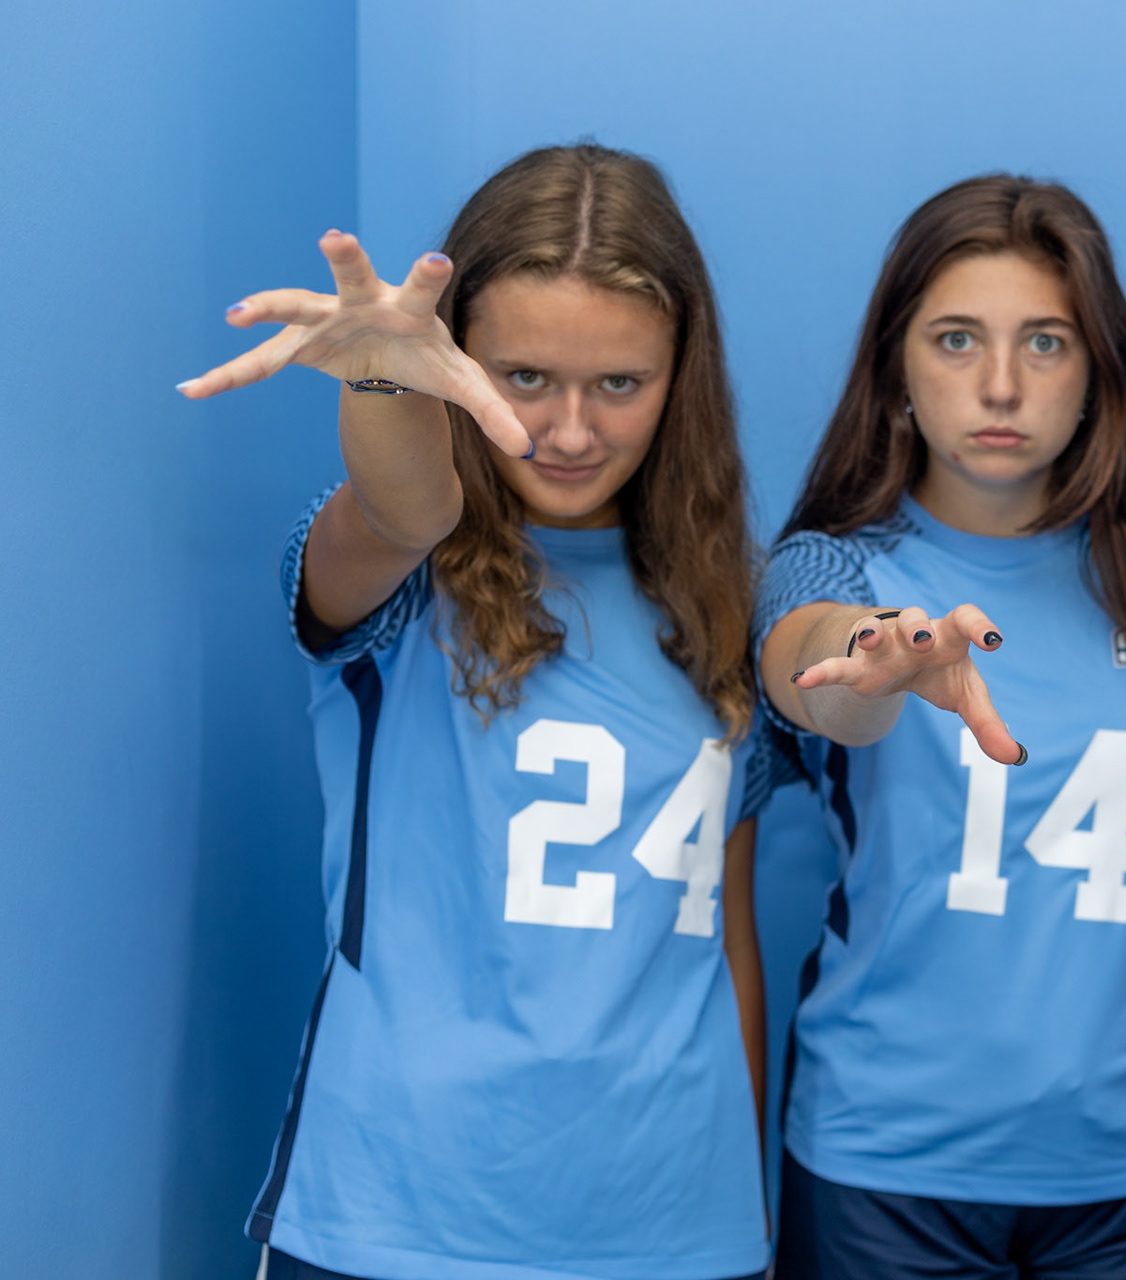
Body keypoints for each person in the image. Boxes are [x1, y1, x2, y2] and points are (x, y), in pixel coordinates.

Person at [178, 144, 775, 1280]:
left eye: (620, 384)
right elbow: (401, 507)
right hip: (394, 1220)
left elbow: (728, 940)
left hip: (675, 1230)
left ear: (680, 377)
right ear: (455, 360)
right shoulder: (401, 573)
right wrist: (382, 383)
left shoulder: (724, 602)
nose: (570, 432)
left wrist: (744, 1213)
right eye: (525, 376)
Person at [754, 174, 1126, 1280]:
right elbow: (816, 670)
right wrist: (876, 658)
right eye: (956, 340)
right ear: (895, 367)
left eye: (1044, 342)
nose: (999, 383)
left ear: (1099, 373)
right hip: (883, 1172)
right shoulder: (835, 566)